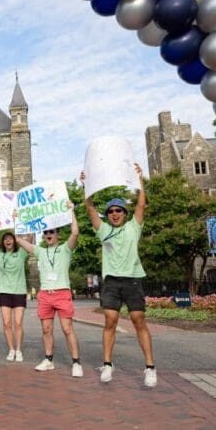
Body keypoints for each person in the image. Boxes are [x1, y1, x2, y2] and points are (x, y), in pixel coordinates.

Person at [82, 164, 156, 387]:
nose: (114, 214)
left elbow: (141, 204)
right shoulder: (103, 230)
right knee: (111, 320)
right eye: (111, 211)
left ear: (125, 213)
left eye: (118, 210)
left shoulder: (134, 227)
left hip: (132, 279)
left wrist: (140, 179)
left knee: (138, 319)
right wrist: (87, 185)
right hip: (112, 280)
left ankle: (150, 367)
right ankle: (107, 364)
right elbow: (90, 208)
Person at [17, 203, 82, 377]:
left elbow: (75, 233)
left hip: (62, 292)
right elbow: (19, 240)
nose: (48, 235)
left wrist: (71, 211)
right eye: (45, 232)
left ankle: (76, 362)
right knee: (46, 329)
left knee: (67, 328)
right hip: (45, 294)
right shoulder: (39, 251)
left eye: (51, 232)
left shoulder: (65, 249)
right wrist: (17, 220)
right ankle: (49, 360)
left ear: (58, 235)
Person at [0, 209, 28, 362]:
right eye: (5, 239)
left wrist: (17, 221)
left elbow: (29, 238)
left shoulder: (21, 253)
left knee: (18, 322)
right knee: (7, 323)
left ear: (15, 241)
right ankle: (11, 349)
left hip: (19, 291)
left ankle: (19, 350)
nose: (8, 240)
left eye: (11, 238)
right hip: (4, 292)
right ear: (3, 242)